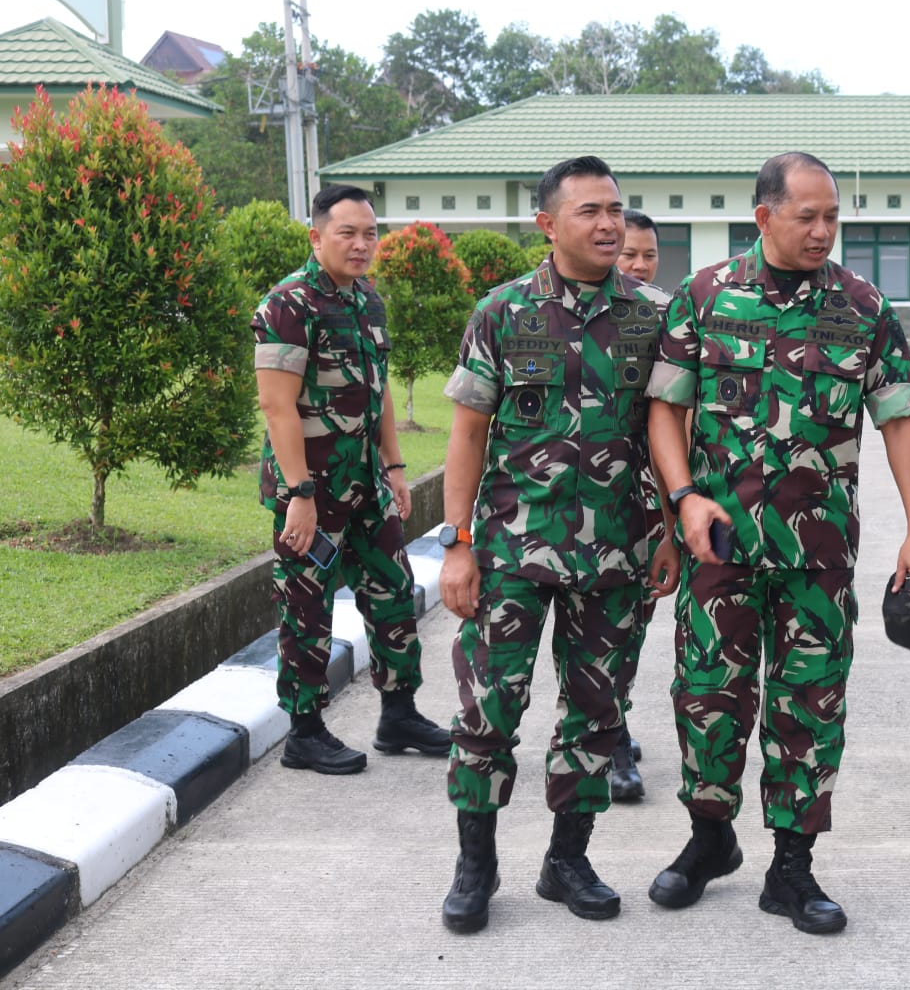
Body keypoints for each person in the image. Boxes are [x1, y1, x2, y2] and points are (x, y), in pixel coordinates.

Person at [644, 151, 910, 935]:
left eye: (833, 216)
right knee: (708, 697)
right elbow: (664, 411)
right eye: (807, 215)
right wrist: (683, 496)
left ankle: (792, 866)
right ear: (764, 215)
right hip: (720, 547)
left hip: (819, 551)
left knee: (808, 703)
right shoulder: (703, 297)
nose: (823, 231)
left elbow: (900, 419)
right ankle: (709, 841)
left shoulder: (863, 306)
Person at [437, 156, 676, 934]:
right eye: (589, 212)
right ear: (547, 224)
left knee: (598, 715)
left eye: (615, 209)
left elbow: (672, 432)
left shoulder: (654, 316)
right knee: (488, 710)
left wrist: (668, 531)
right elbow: (468, 431)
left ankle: (567, 859)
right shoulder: (502, 314)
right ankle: (477, 863)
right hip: (511, 552)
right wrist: (458, 542)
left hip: (617, 554)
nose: (609, 224)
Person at [251, 184, 450, 776]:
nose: (362, 245)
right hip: (310, 490)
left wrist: (393, 468)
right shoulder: (287, 304)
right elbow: (277, 408)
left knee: (393, 590)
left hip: (365, 482)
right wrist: (301, 495)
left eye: (370, 233)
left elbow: (380, 390)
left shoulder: (367, 301)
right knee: (306, 606)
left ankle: (399, 713)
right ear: (317, 237)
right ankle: (305, 732)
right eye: (348, 233)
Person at [605, 207, 675, 803]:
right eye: (629, 254)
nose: (637, 264)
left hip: (647, 502)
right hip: (578, 509)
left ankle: (612, 719)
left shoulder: (665, 316)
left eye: (648, 255)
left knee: (633, 622)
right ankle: (613, 737)